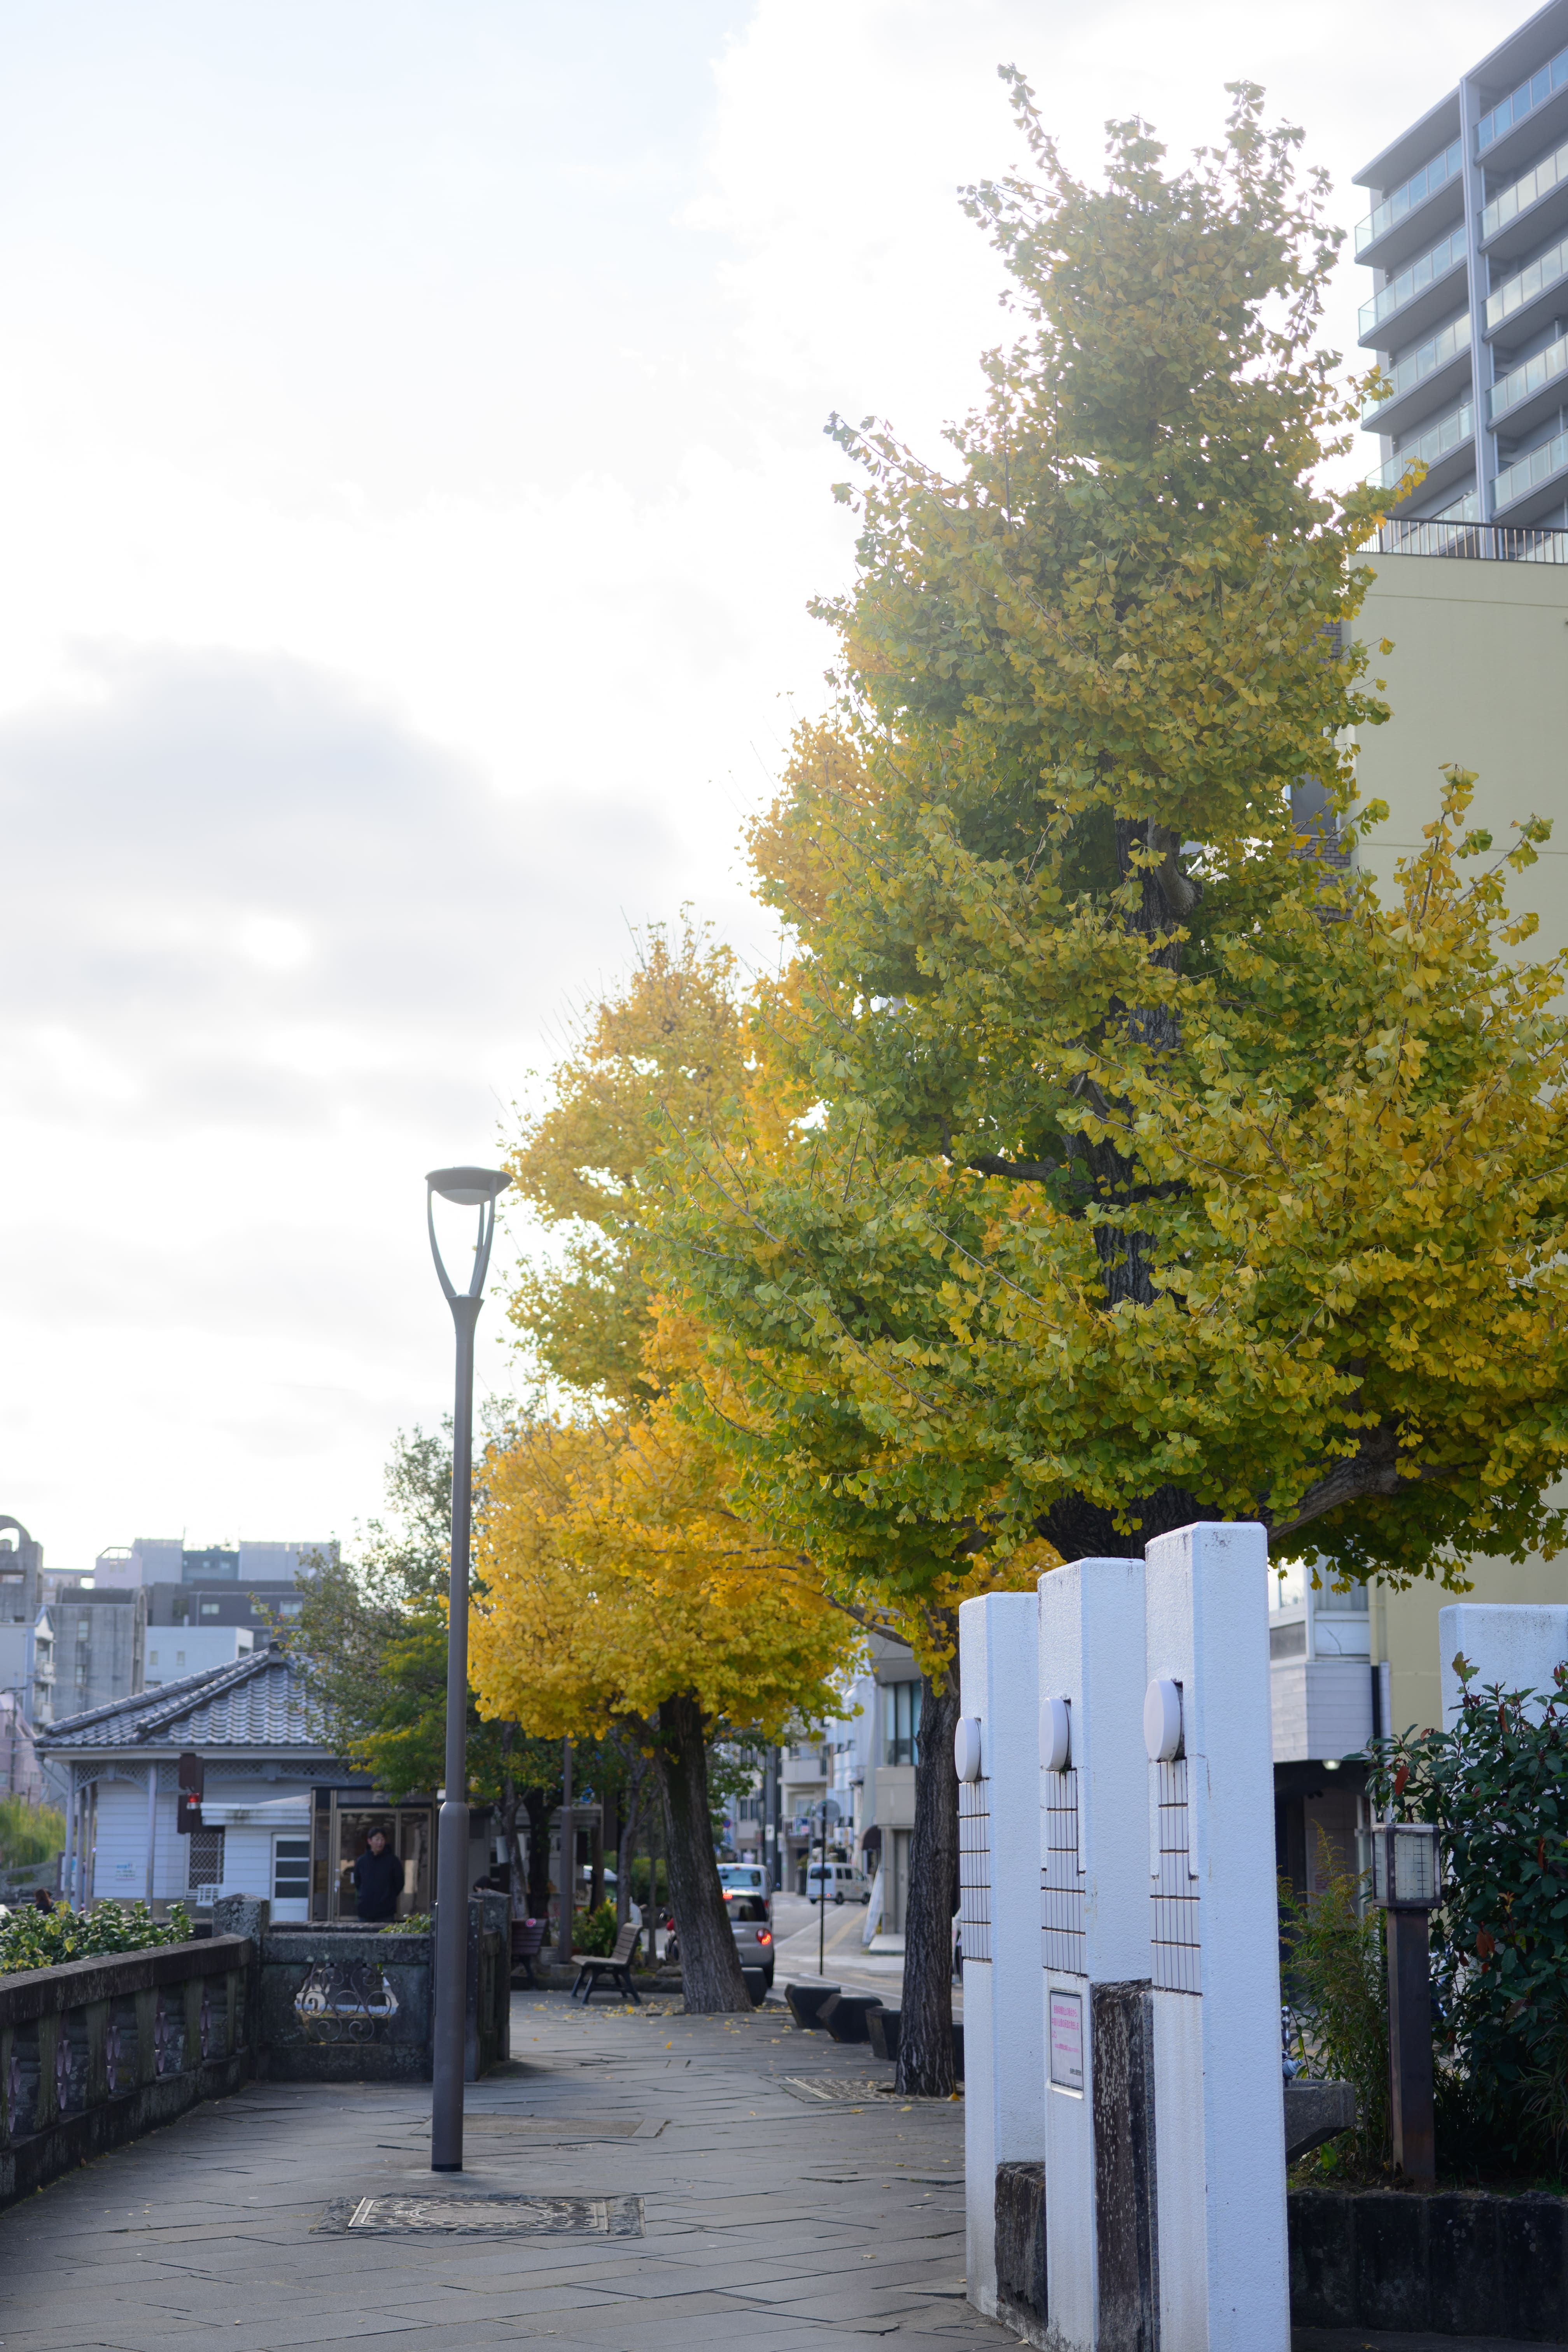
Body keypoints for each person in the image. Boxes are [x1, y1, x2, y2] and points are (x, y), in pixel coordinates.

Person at [351, 1827, 402, 1924]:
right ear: (370, 1841)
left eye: (382, 1839)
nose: (380, 1843)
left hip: (386, 1912)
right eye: (377, 1839)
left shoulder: (392, 1861)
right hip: (365, 1911)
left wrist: (389, 1896)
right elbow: (358, 1883)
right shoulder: (362, 1861)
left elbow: (399, 1883)